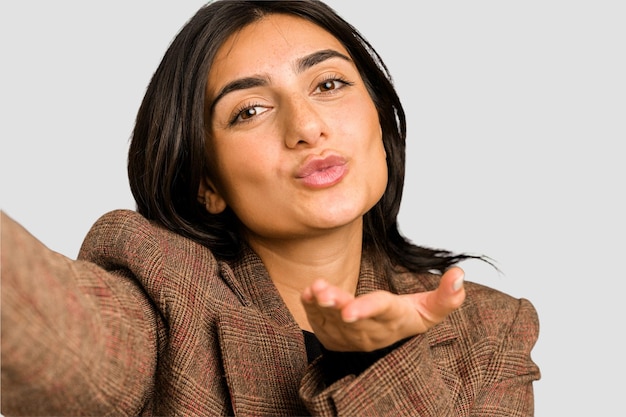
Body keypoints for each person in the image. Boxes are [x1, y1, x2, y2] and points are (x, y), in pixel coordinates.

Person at [0, 0, 541, 415]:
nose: (306, 127)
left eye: (329, 84)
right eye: (250, 109)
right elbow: (42, 319)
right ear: (205, 181)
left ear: (379, 118)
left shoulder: (489, 329)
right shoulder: (160, 294)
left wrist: (375, 362)